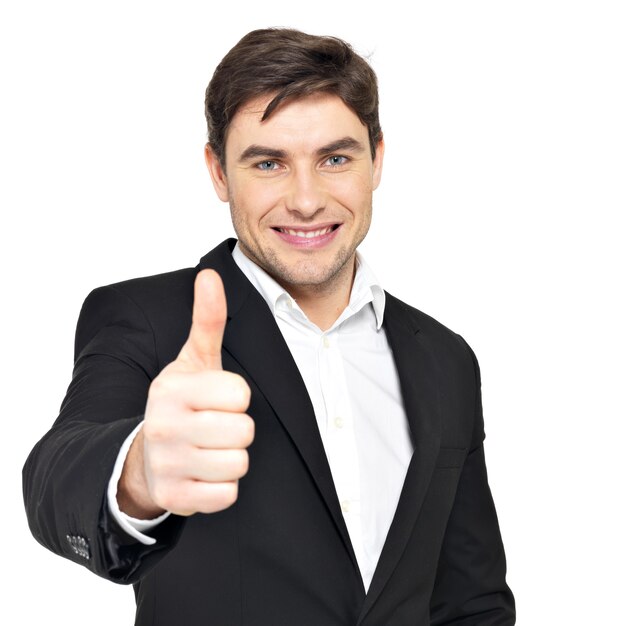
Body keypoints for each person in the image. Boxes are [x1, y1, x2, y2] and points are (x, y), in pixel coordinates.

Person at [23, 28, 515, 625]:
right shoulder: (147, 320)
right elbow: (56, 476)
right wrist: (138, 472)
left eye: (335, 158)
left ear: (377, 159)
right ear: (219, 172)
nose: (306, 200)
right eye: (268, 163)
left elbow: (470, 599)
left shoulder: (446, 359)